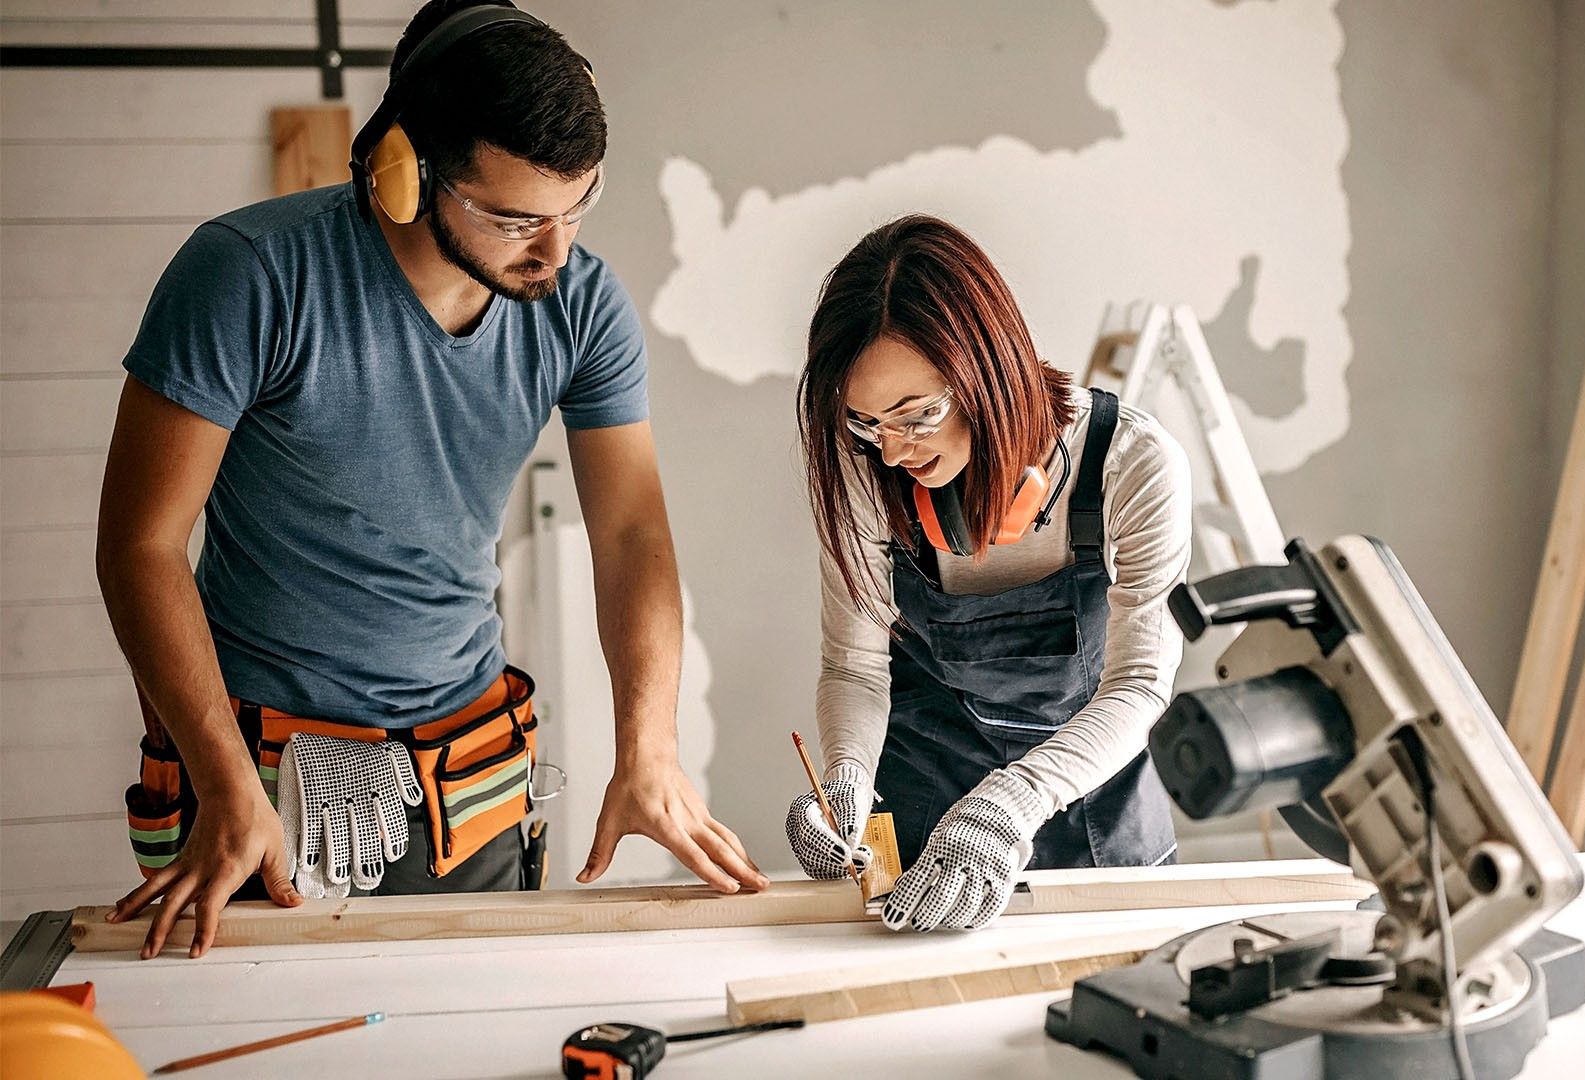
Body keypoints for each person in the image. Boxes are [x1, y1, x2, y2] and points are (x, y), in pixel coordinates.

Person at [96, 0, 764, 961]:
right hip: (255, 776)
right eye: (516, 219)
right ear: (403, 172)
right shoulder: (249, 276)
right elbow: (141, 545)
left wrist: (649, 749)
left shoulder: (582, 305)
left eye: (578, 208)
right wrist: (223, 778)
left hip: (467, 773)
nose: (555, 251)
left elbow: (631, 538)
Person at [786, 215, 1193, 932]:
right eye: (866, 423)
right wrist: (845, 778)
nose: (891, 453)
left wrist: (1010, 804)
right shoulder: (866, 467)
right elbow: (854, 665)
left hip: (1089, 800)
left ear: (988, 369)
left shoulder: (1133, 465)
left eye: (916, 416)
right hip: (924, 797)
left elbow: (1139, 685)